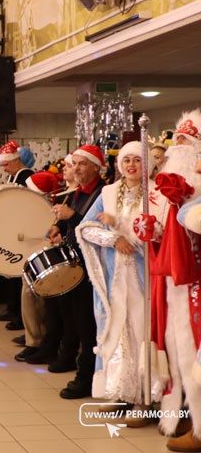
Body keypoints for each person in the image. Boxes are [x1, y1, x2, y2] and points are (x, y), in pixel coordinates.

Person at [76, 141, 160, 413]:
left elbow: (161, 234)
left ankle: (145, 396)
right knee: (116, 331)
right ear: (119, 165)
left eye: (137, 160)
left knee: (142, 331)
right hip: (115, 278)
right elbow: (86, 228)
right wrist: (113, 239)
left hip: (144, 277)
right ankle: (119, 390)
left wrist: (136, 234)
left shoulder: (157, 194)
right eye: (126, 161)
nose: (131, 166)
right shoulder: (108, 193)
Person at [136, 109, 201, 450]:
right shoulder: (167, 188)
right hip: (175, 282)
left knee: (195, 352)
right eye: (177, 143)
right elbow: (161, 230)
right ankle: (180, 414)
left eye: (186, 143)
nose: (178, 149)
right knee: (175, 347)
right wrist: (150, 229)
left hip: (196, 283)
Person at [45, 145, 105, 399]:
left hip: (92, 269)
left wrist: (72, 216)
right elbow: (74, 223)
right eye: (75, 163)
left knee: (87, 324)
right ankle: (73, 361)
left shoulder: (103, 193)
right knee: (72, 318)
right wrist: (59, 228)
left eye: (82, 164)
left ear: (95, 167)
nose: (77, 168)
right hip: (76, 266)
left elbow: (96, 228)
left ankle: (87, 376)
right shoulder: (79, 192)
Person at [15, 171, 59, 362]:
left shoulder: (49, 209)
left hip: (48, 260)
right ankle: (32, 337)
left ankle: (35, 339)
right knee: (29, 295)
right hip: (35, 257)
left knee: (34, 297)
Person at [0, 140, 34, 330]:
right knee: (11, 273)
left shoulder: (27, 177)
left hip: (23, 231)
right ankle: (12, 307)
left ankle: (19, 314)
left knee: (19, 274)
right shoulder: (14, 176)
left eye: (6, 164)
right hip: (14, 229)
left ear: (17, 161)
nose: (4, 169)